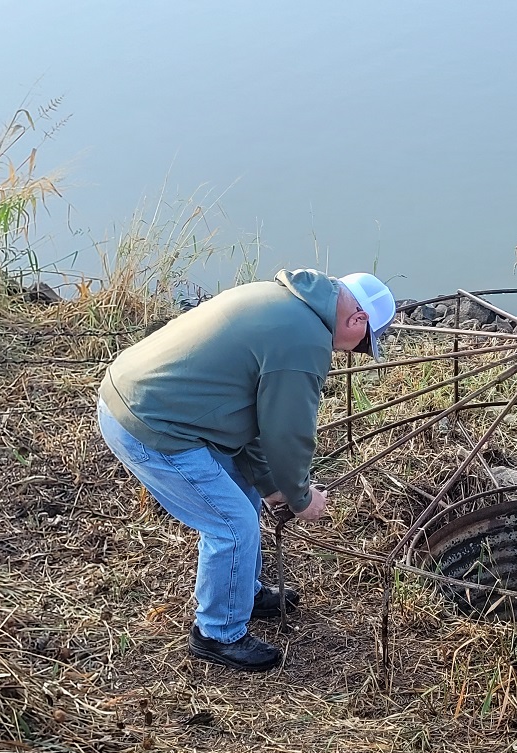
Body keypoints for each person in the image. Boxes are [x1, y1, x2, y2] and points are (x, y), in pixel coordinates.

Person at [97, 269, 396, 671]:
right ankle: (217, 633)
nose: (349, 353)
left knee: (245, 493)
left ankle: (243, 591)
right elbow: (287, 433)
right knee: (233, 524)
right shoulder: (304, 342)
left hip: (144, 396)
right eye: (360, 346)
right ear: (356, 321)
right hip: (151, 424)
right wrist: (301, 497)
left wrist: (272, 486)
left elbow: (255, 415)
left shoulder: (284, 300)